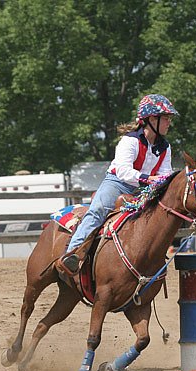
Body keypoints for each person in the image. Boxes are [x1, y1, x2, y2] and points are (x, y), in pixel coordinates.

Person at [56, 94, 179, 275]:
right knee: (97, 211)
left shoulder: (165, 147)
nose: (169, 122)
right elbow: (123, 171)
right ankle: (71, 255)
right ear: (152, 119)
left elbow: (165, 174)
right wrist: (149, 179)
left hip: (146, 189)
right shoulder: (129, 141)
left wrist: (160, 182)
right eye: (166, 118)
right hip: (118, 184)